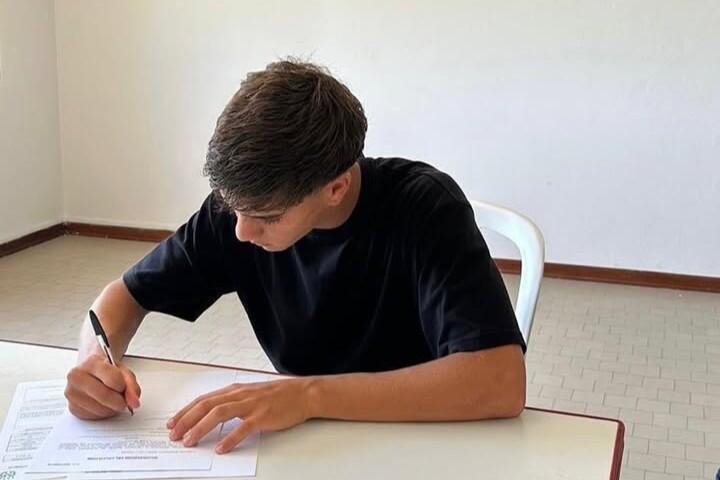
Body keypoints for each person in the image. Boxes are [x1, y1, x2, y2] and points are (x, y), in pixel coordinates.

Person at [64, 59, 527, 455]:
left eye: (267, 217)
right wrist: (94, 360)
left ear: (335, 188)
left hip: (423, 436)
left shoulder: (425, 208)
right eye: (234, 210)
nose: (242, 232)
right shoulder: (238, 213)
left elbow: (500, 382)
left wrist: (308, 396)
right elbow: (125, 295)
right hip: (309, 443)